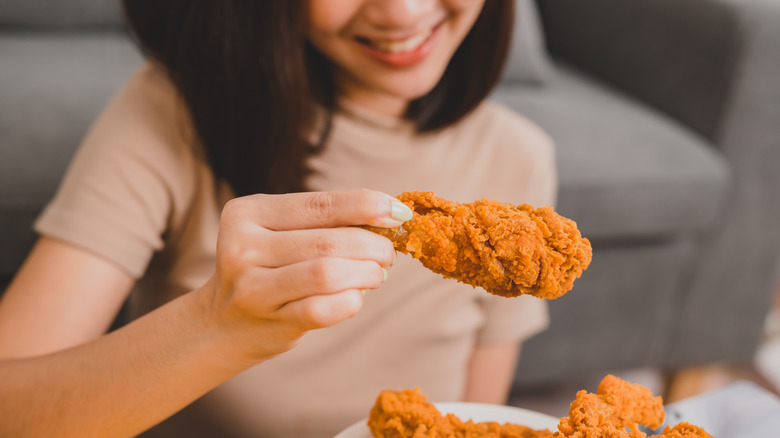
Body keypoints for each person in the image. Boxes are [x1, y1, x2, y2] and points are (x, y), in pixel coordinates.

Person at [0, 0, 556, 437]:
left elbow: (481, 413)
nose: (405, 10)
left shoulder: (520, 158)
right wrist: (215, 326)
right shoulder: (170, 113)